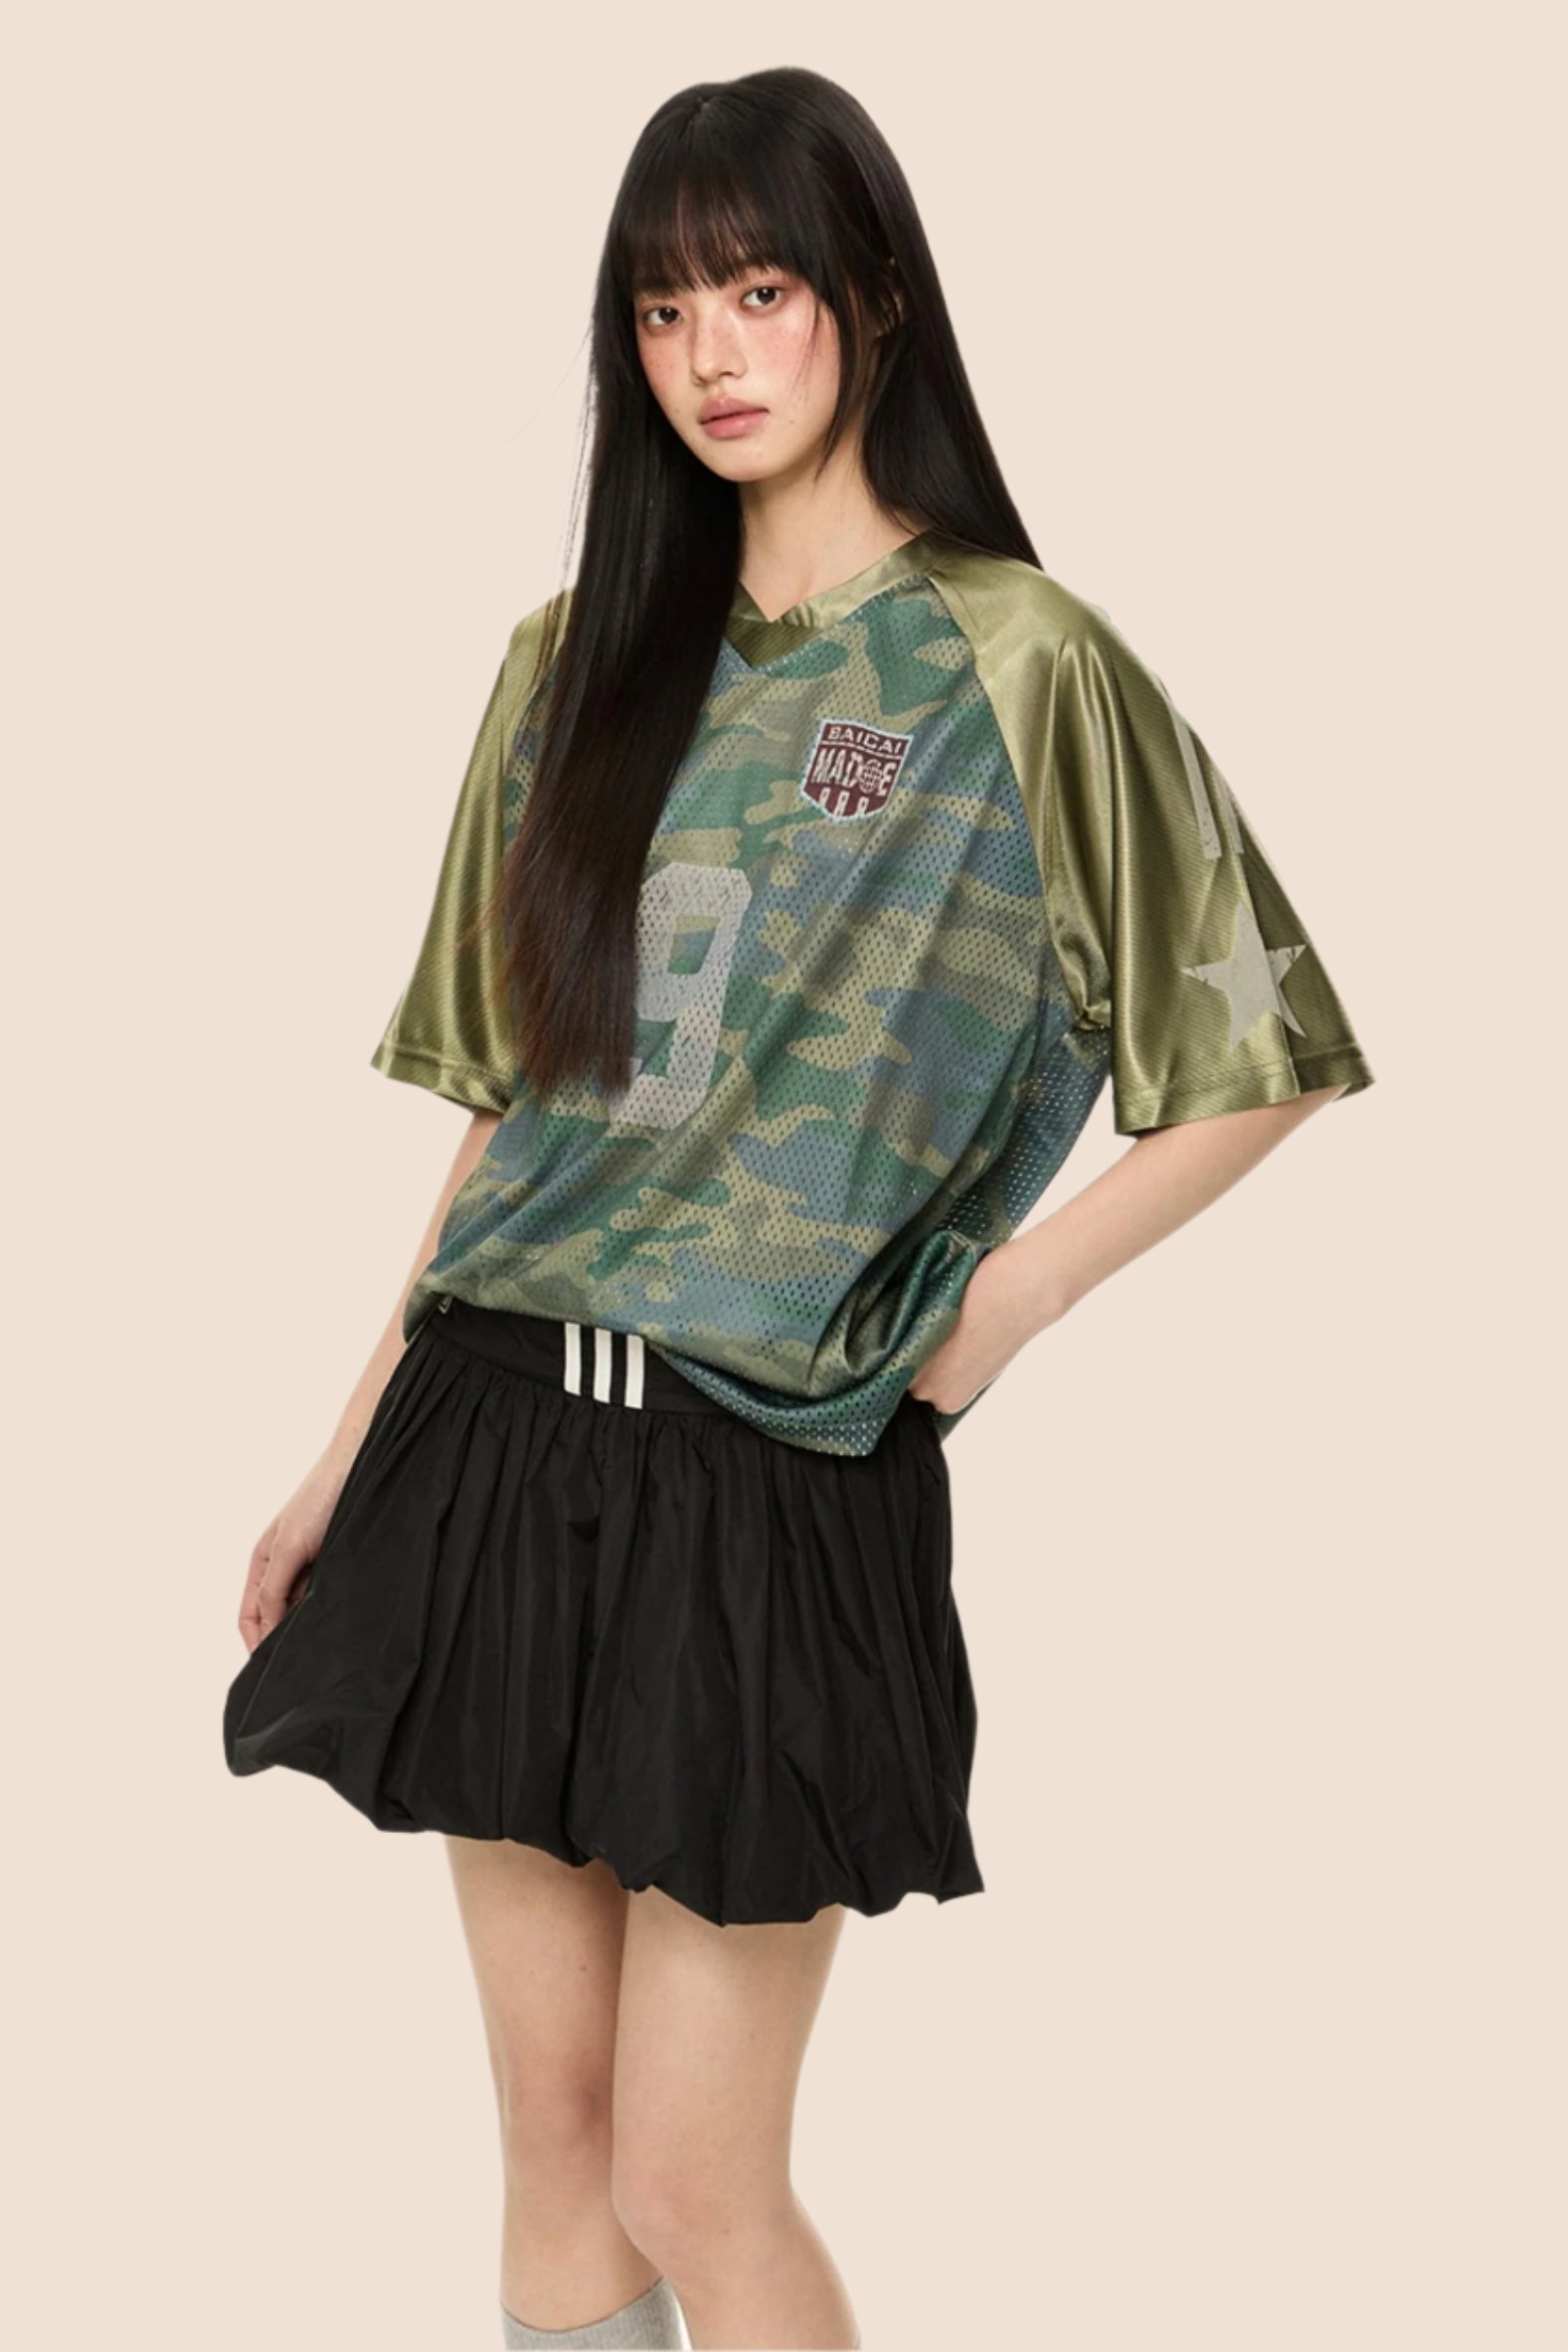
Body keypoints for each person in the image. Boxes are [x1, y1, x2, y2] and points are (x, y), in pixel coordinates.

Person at [223, 64, 1375, 2352]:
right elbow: (510, 1113)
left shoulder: (1018, 661)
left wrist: (1017, 1297)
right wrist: (344, 1456)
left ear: (874, 298)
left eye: (757, 292)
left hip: (775, 1469)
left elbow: (1263, 1054)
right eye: (662, 312)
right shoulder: (570, 663)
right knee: (557, 2145)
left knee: (694, 2170)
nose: (712, 355)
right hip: (500, 1428)